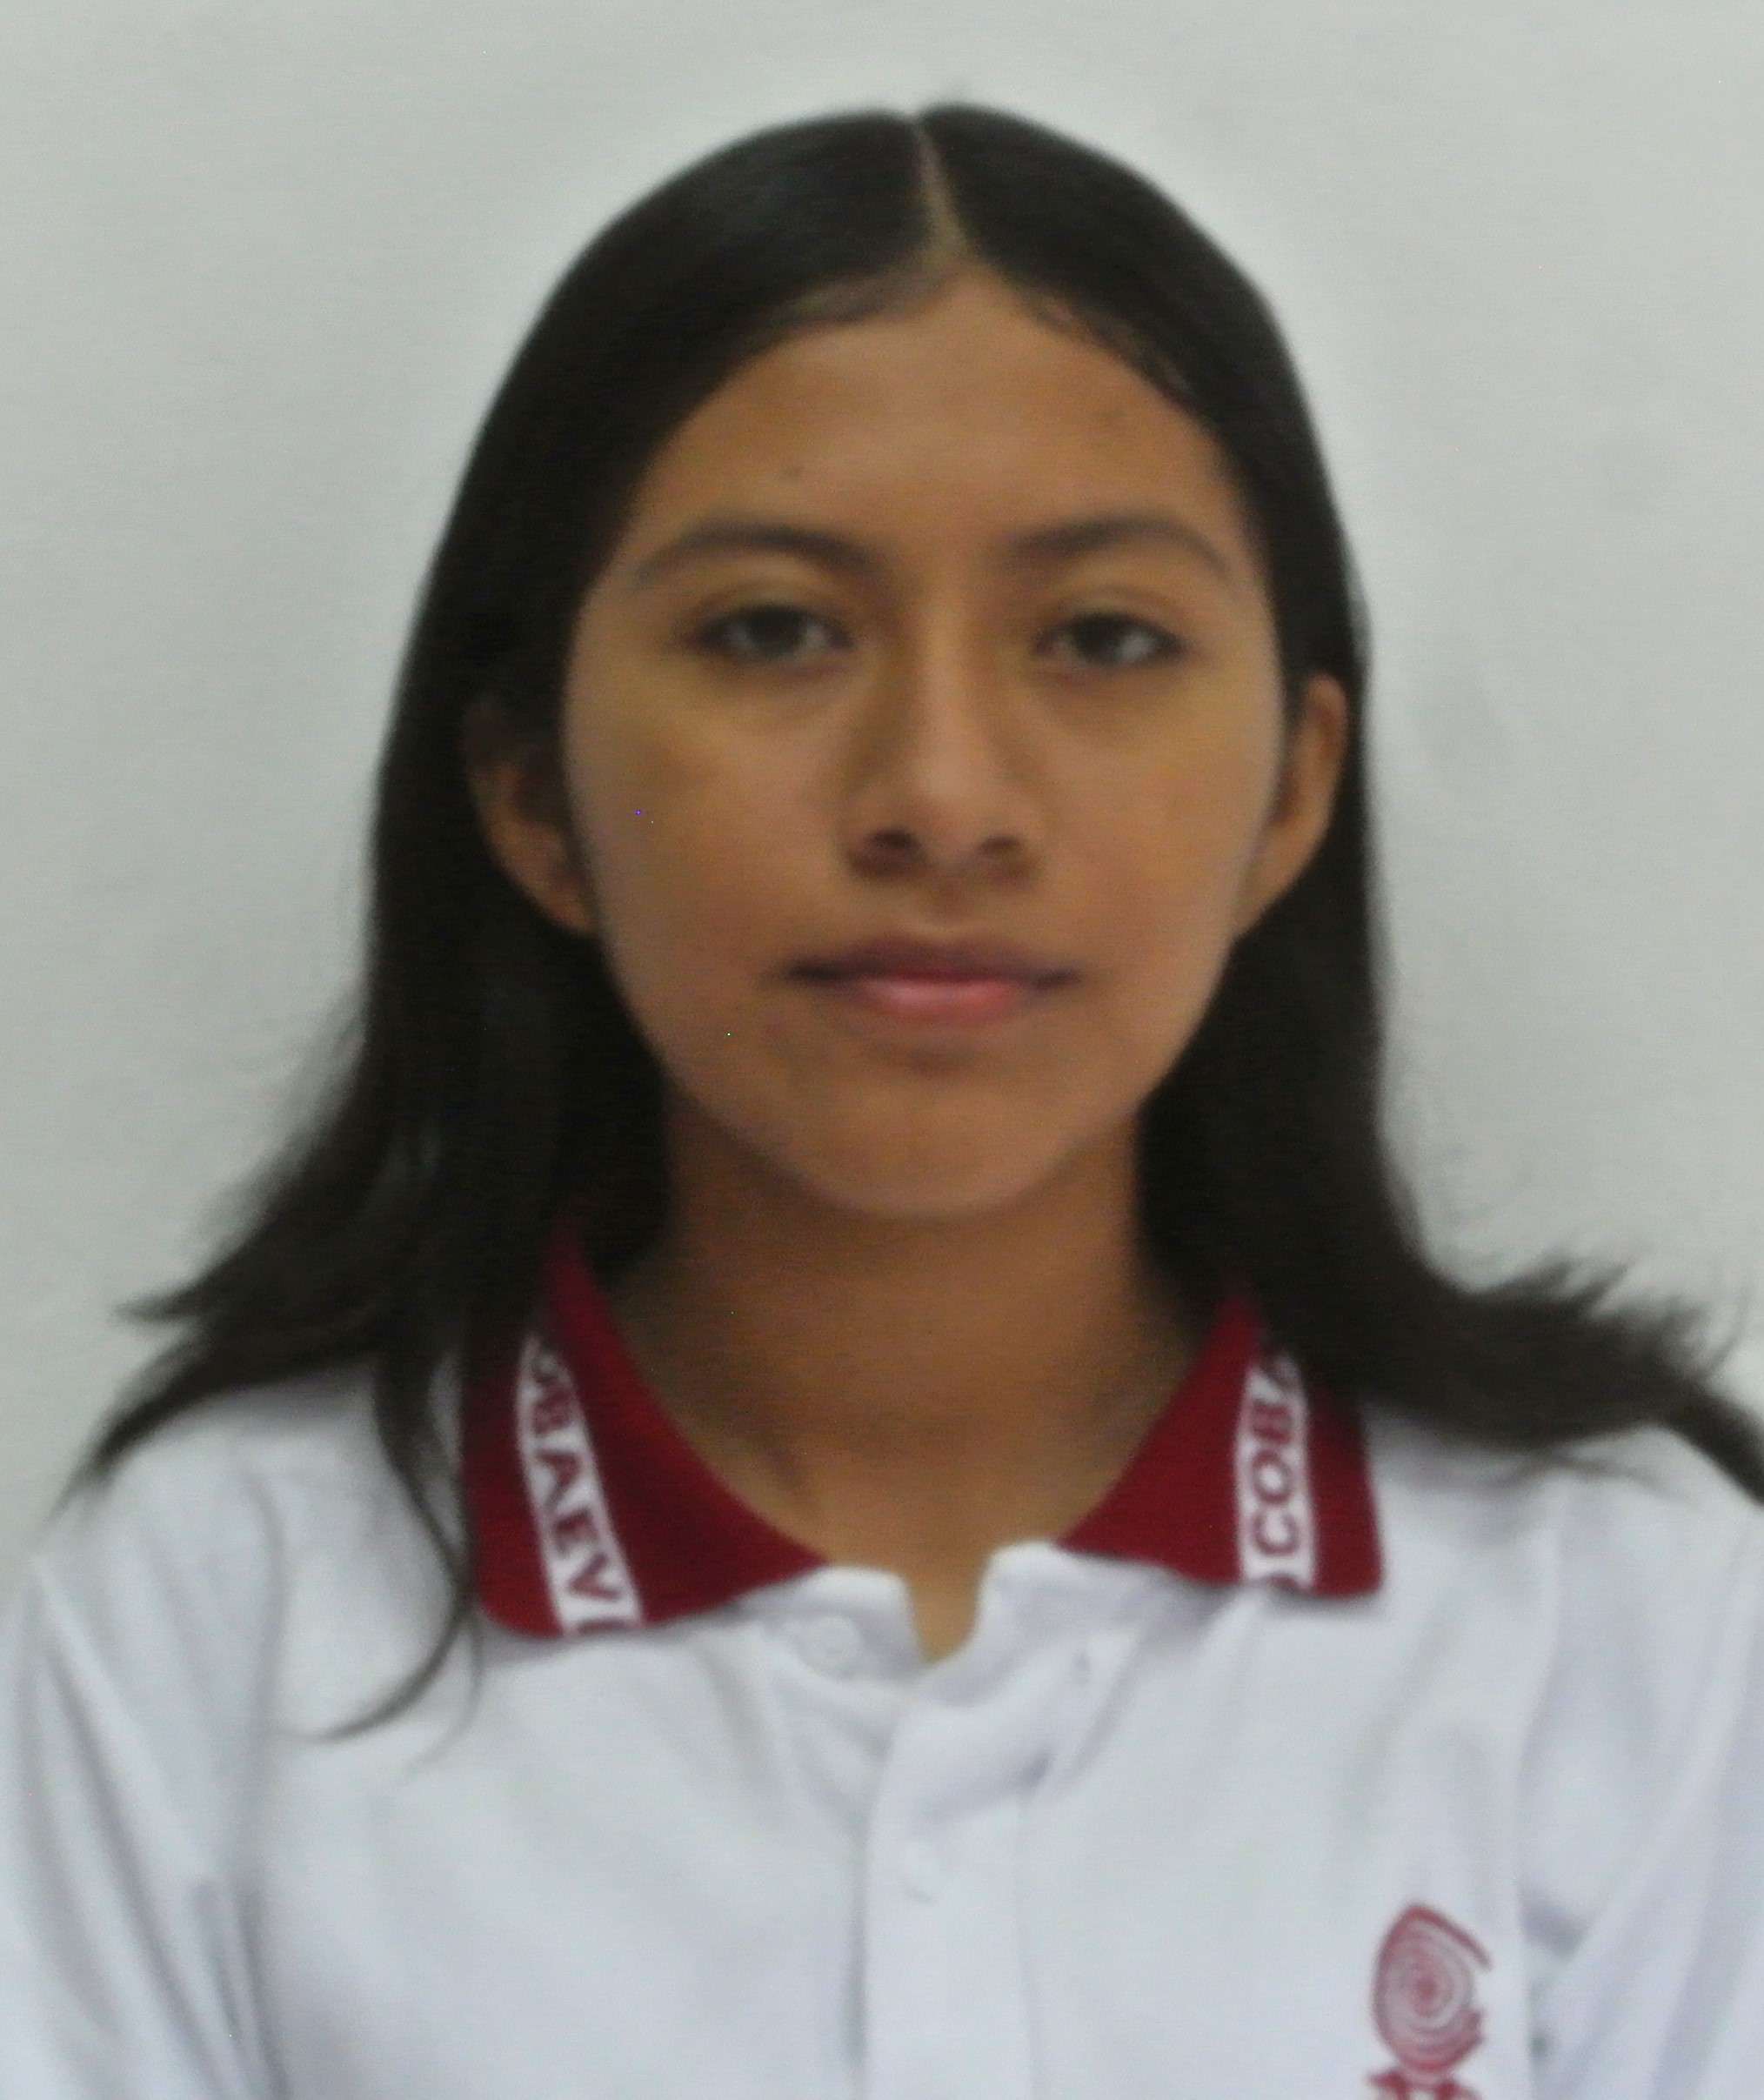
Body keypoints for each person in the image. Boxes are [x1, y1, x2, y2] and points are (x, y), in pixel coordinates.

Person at [2, 102, 1761, 2100]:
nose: (941, 792)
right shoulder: (218, 1615)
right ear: (529, 787)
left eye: (1103, 637)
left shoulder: (1623, 1618)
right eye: (774, 629)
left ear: (1290, 787)